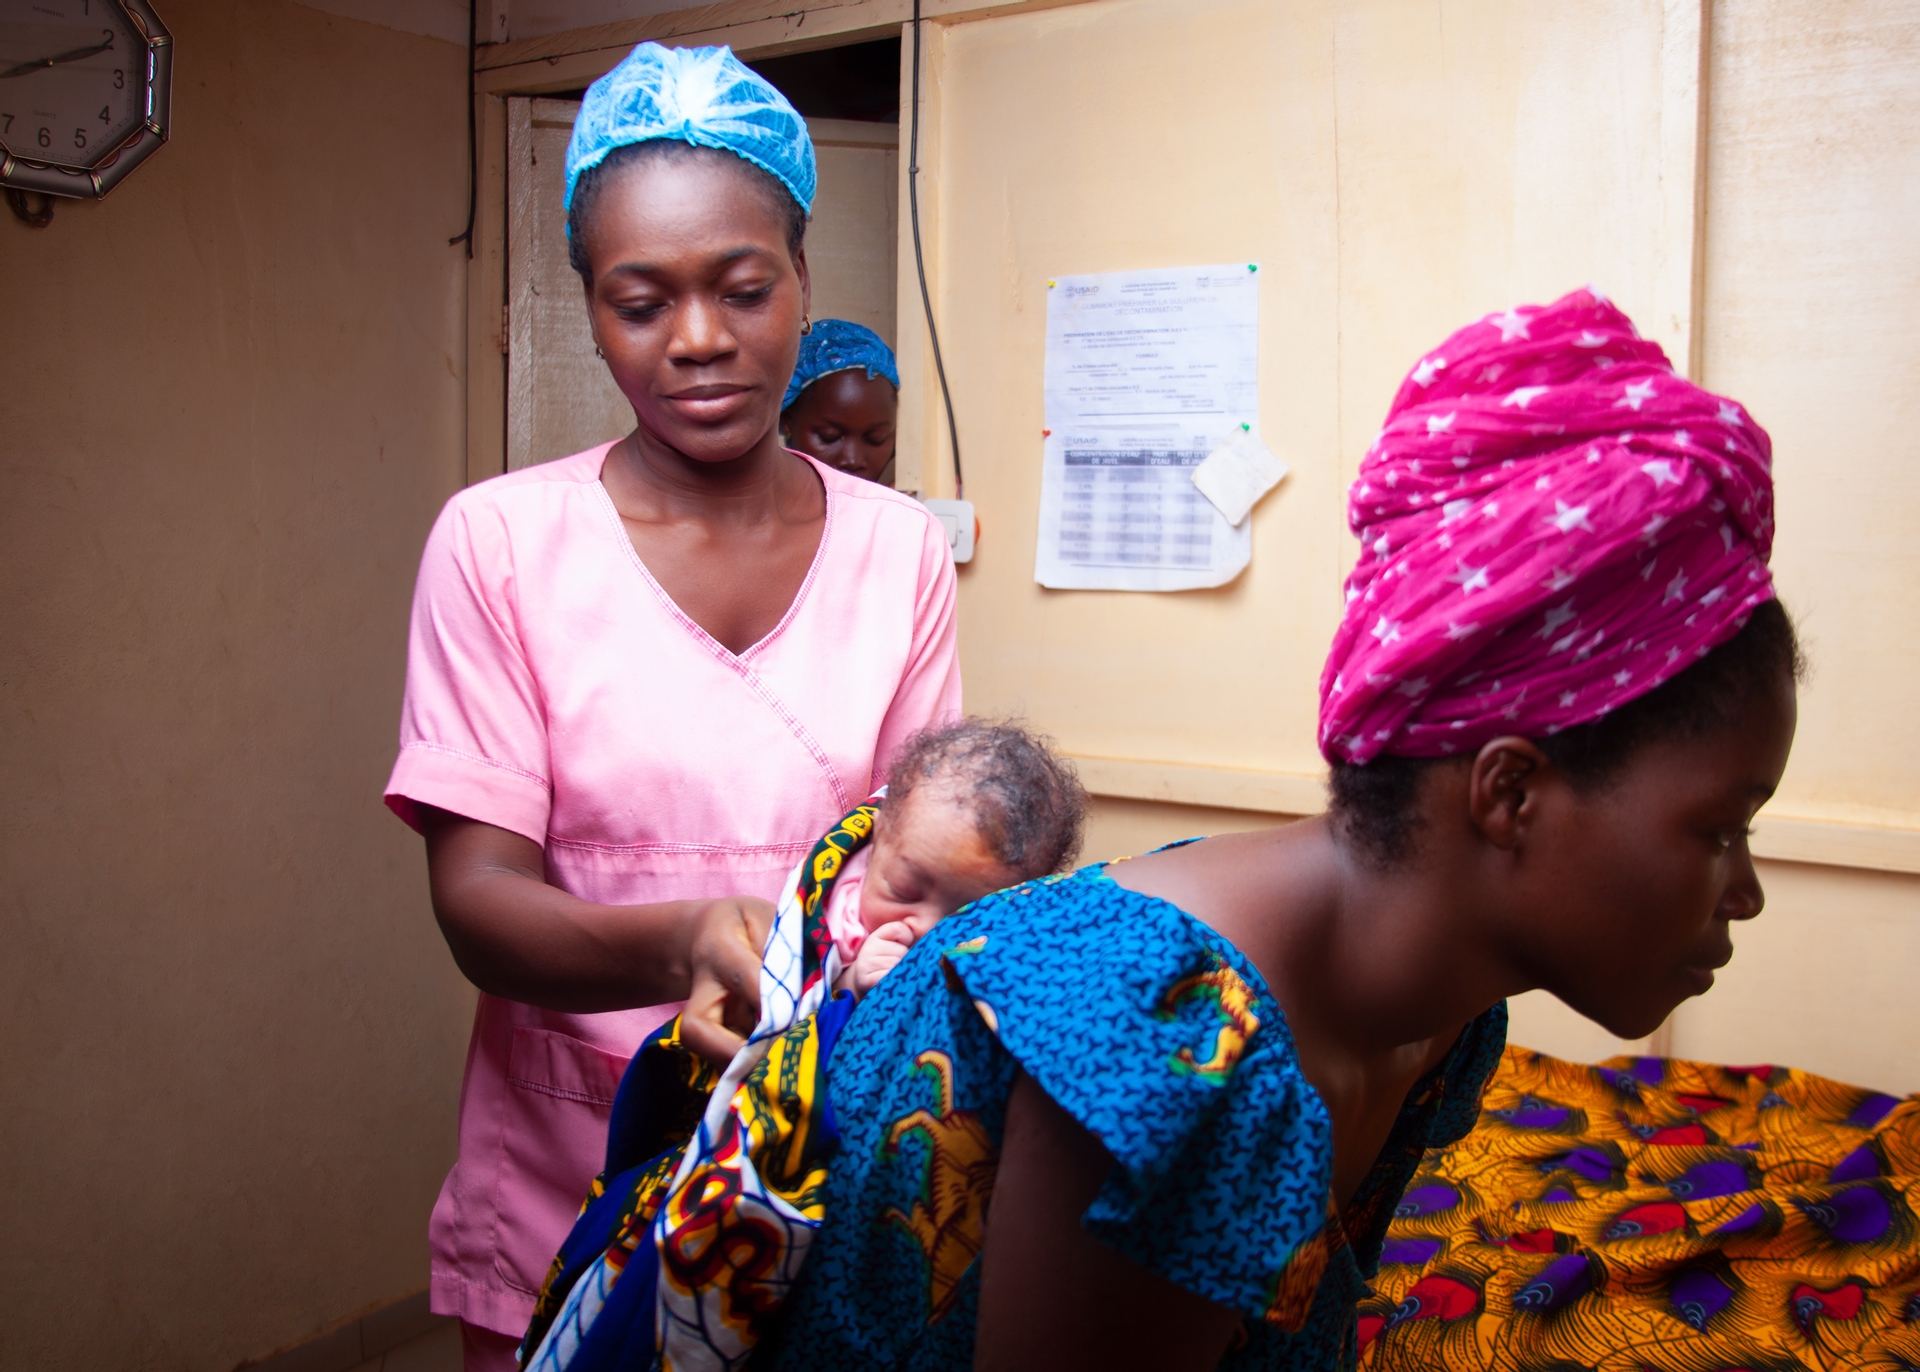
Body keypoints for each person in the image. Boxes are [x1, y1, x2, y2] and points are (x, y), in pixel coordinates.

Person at [756, 287, 1799, 1371]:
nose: (1746, 890)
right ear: (1510, 795)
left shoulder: (1444, 1015)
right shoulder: (1174, 1046)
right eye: (1722, 828)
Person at [383, 43, 961, 1371]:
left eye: (743, 288)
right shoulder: (501, 546)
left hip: (811, 1172)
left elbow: (923, 863)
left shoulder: (899, 551)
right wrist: (685, 944)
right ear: (588, 305)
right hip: (563, 1183)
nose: (697, 340)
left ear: (802, 280)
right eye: (640, 302)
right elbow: (477, 899)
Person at [825, 719, 1088, 998]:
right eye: (905, 891)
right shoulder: (835, 912)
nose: (927, 929)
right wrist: (849, 983)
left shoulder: (1024, 942)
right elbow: (797, 1014)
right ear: (876, 841)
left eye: (971, 914)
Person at [778, 318, 899, 484]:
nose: (852, 460)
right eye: (829, 436)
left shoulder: (899, 509)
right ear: (787, 420)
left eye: (876, 438)